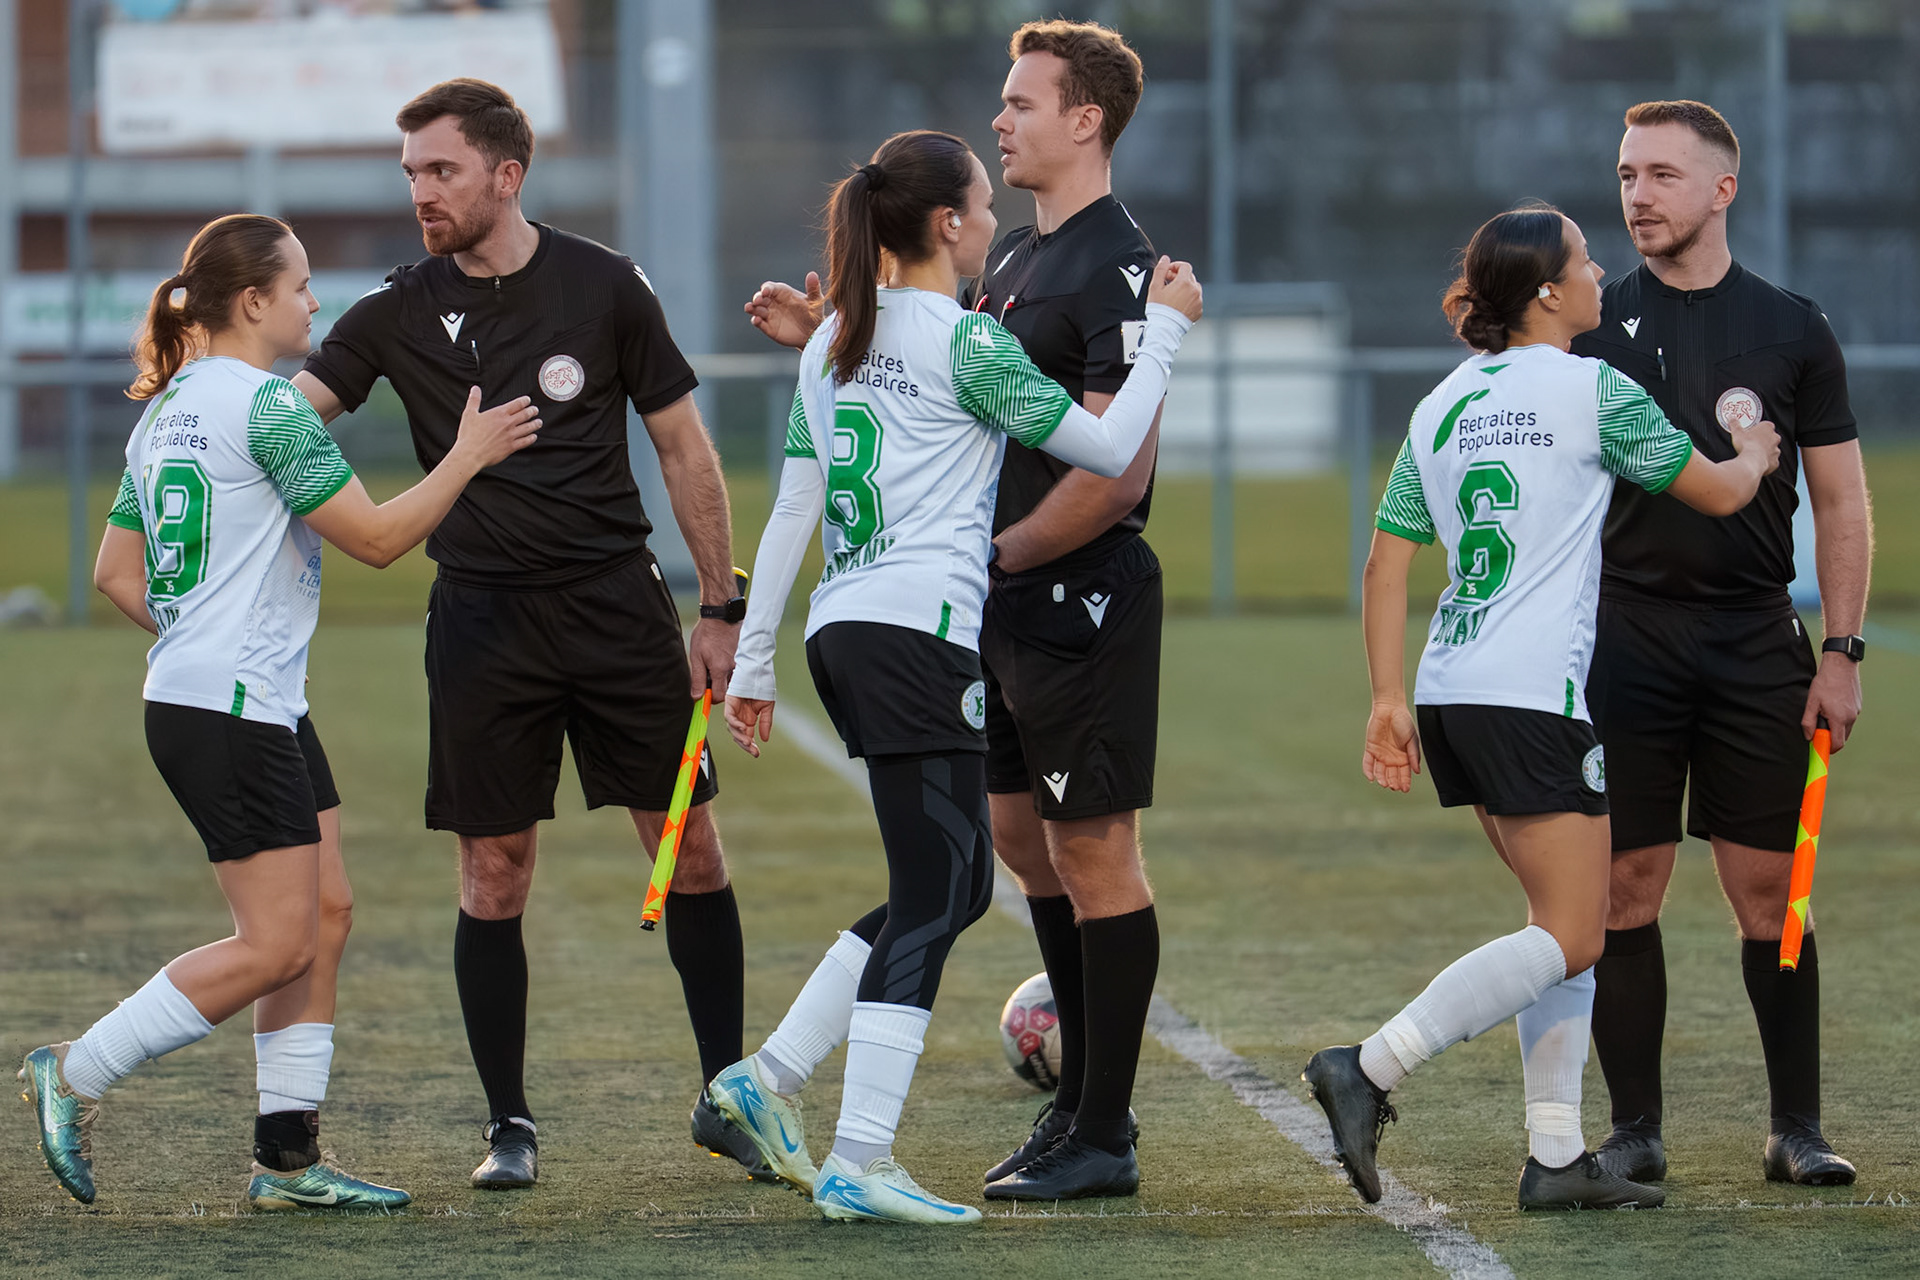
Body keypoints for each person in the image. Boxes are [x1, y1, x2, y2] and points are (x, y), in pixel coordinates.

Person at [706, 129, 1201, 1224]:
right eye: (980, 206)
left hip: (843, 630)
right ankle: (857, 1154)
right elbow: (1109, 450)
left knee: (954, 881)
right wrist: (1166, 329)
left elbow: (793, 507)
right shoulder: (966, 341)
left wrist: (756, 658)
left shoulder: (834, 337)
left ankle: (766, 1080)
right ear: (946, 224)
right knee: (941, 892)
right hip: (921, 633)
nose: (990, 223)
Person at [290, 79, 760, 1189]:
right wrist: (198, 417)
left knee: (687, 845)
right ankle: (508, 1123)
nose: (420, 192)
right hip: (483, 620)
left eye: (440, 170)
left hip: (617, 607)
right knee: (493, 871)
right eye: (411, 172)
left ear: (507, 175)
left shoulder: (605, 285)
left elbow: (684, 447)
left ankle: (732, 1097)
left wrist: (719, 607)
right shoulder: (396, 309)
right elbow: (287, 417)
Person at [19, 213, 540, 1211]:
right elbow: (377, 539)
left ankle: (288, 1161)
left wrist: (200, 637)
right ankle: (75, 1071)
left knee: (326, 911)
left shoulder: (165, 409)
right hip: (231, 708)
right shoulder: (266, 405)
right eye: (300, 286)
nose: (314, 302)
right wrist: (468, 453)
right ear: (254, 300)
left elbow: (115, 574)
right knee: (275, 944)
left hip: (241, 701)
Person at [1303, 205, 1779, 1211]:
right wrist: (1754, 450)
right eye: (1586, 261)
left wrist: (1387, 698)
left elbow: (1386, 563)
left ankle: (1556, 1156)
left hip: (1452, 687)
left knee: (1560, 922)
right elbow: (1719, 495)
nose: (1603, 272)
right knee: (1576, 933)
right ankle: (1370, 1066)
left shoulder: (1441, 403)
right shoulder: (1595, 388)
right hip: (1532, 696)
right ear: (1550, 292)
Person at [1568, 101, 1872, 1187]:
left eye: (1661, 174)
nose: (1637, 195)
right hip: (1624, 639)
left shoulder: (1793, 327)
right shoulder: (1590, 327)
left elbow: (1840, 503)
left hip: (1755, 640)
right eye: (1626, 175)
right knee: (1624, 888)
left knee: (1772, 892)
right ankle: (1634, 1130)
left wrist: (1841, 650)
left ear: (1722, 189)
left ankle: (1797, 1128)